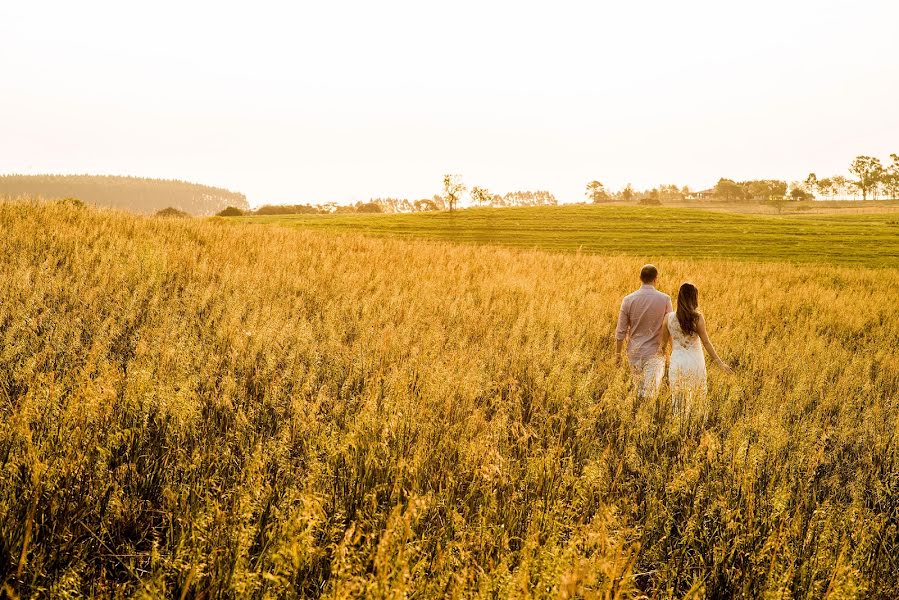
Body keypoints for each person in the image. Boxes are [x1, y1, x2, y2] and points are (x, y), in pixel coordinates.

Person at [662, 282, 732, 414]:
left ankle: (679, 426)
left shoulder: (668, 318)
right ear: (694, 298)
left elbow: (662, 346)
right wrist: (719, 363)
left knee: (678, 400)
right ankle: (696, 426)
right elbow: (706, 342)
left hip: (677, 362)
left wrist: (660, 366)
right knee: (698, 398)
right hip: (695, 362)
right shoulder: (697, 318)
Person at [615, 264, 672, 399]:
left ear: (640, 278)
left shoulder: (628, 300)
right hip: (655, 353)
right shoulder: (665, 299)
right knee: (651, 394)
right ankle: (646, 417)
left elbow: (621, 331)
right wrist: (672, 352)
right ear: (656, 279)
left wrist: (617, 355)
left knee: (638, 391)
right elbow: (670, 328)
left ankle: (637, 417)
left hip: (634, 353)